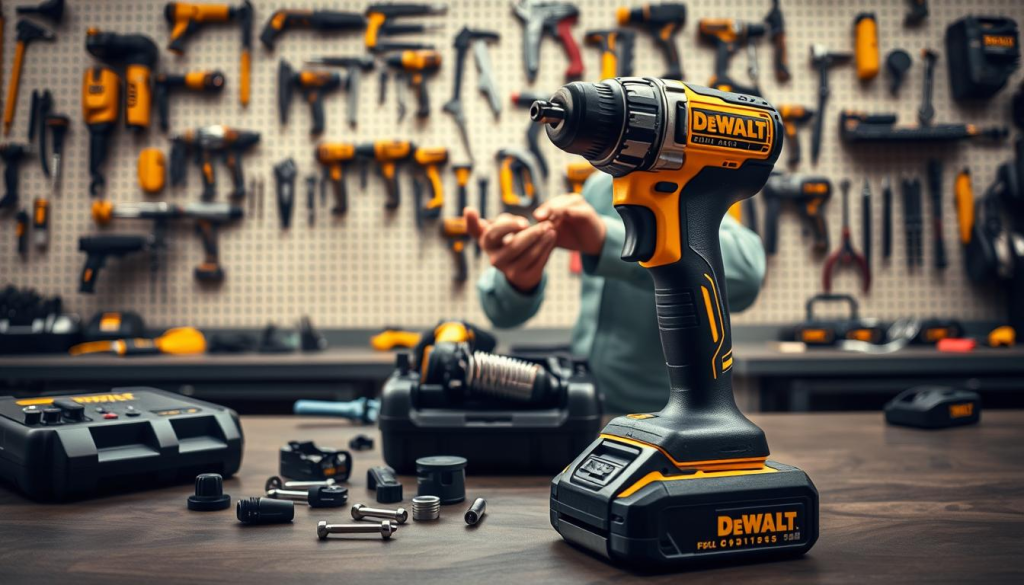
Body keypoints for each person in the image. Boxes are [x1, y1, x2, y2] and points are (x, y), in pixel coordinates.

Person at [464, 172, 766, 414]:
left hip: (669, 417)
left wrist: (608, 240)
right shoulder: (599, 188)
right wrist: (517, 280)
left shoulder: (686, 185)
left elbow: (747, 274)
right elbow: (501, 314)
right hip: (588, 407)